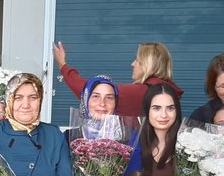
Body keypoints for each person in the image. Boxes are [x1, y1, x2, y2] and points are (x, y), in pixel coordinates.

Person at [53, 41, 183, 118]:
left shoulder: (142, 92)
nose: (133, 64)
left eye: (137, 60)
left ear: (147, 64)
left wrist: (63, 66)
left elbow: (87, 89)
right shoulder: (168, 91)